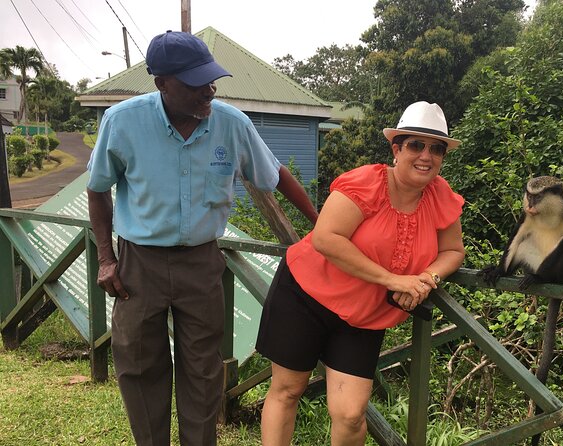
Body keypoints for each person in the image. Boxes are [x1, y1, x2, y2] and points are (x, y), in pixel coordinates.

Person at [86, 31, 318, 446]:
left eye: (212, 81)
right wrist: (106, 259)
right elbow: (98, 187)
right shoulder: (122, 122)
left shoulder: (231, 124)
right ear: (162, 83)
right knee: (139, 364)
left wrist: (320, 224)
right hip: (138, 264)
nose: (209, 91)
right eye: (196, 84)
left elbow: (274, 175)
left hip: (202, 262)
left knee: (203, 370)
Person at [256, 101, 466, 445]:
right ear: (396, 148)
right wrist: (393, 280)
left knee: (351, 414)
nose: (426, 155)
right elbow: (325, 238)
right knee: (287, 390)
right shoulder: (366, 182)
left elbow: (453, 251)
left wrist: (428, 279)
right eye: (415, 144)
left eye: (436, 148)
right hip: (306, 296)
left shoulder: (440, 196)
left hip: (364, 316)